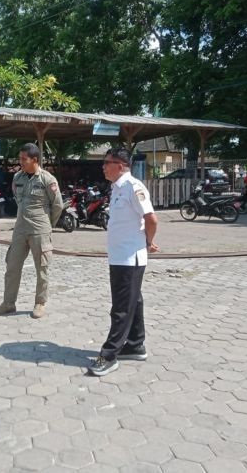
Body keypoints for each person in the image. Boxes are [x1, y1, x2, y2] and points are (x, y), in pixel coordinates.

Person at [89, 146, 159, 377]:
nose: (103, 166)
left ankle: (109, 355)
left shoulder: (133, 187)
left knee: (121, 308)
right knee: (133, 300)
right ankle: (135, 344)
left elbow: (151, 218)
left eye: (106, 162)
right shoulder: (117, 187)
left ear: (120, 166)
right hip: (120, 256)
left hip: (130, 257)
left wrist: (148, 241)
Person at [0, 143, 63, 319]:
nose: (20, 162)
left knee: (42, 268)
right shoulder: (17, 177)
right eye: (20, 159)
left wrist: (47, 225)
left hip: (40, 230)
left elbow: (57, 205)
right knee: (12, 267)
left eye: (24, 159)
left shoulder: (47, 179)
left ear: (35, 160)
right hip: (20, 229)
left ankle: (40, 303)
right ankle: (8, 304)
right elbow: (18, 198)